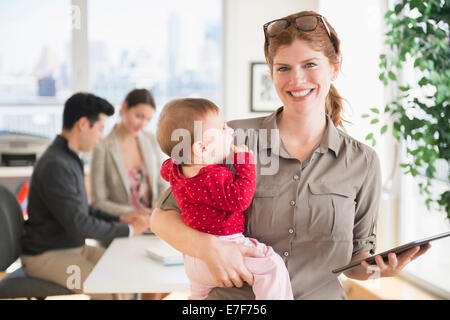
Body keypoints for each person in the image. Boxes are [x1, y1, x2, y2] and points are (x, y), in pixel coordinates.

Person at [151, 11, 431, 299]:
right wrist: (208, 248)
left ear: (334, 68)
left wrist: (380, 270)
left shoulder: (363, 161)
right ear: (271, 72)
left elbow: (355, 265)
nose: (297, 80)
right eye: (283, 68)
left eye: (310, 64)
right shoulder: (228, 138)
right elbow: (160, 218)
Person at [156, 98, 293, 300]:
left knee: (199, 296)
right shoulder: (213, 176)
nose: (230, 131)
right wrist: (244, 162)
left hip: (194, 261)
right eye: (222, 129)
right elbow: (239, 199)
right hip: (225, 247)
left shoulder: (175, 168)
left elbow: (165, 169)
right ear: (202, 149)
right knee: (271, 265)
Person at [20, 92, 151, 300]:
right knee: (108, 288)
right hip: (45, 256)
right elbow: (78, 224)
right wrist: (128, 229)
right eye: (99, 129)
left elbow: (82, 208)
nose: (101, 136)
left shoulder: (69, 158)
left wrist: (119, 219)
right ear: (83, 124)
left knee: (127, 273)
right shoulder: (56, 164)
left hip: (72, 248)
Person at [89, 88, 169, 300]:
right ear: (124, 108)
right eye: (138, 116)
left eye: (148, 119)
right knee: (130, 280)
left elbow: (162, 185)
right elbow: (98, 201)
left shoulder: (151, 140)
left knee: (164, 275)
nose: (142, 123)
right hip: (122, 228)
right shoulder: (102, 147)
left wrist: (157, 211)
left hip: (152, 227)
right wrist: (134, 214)